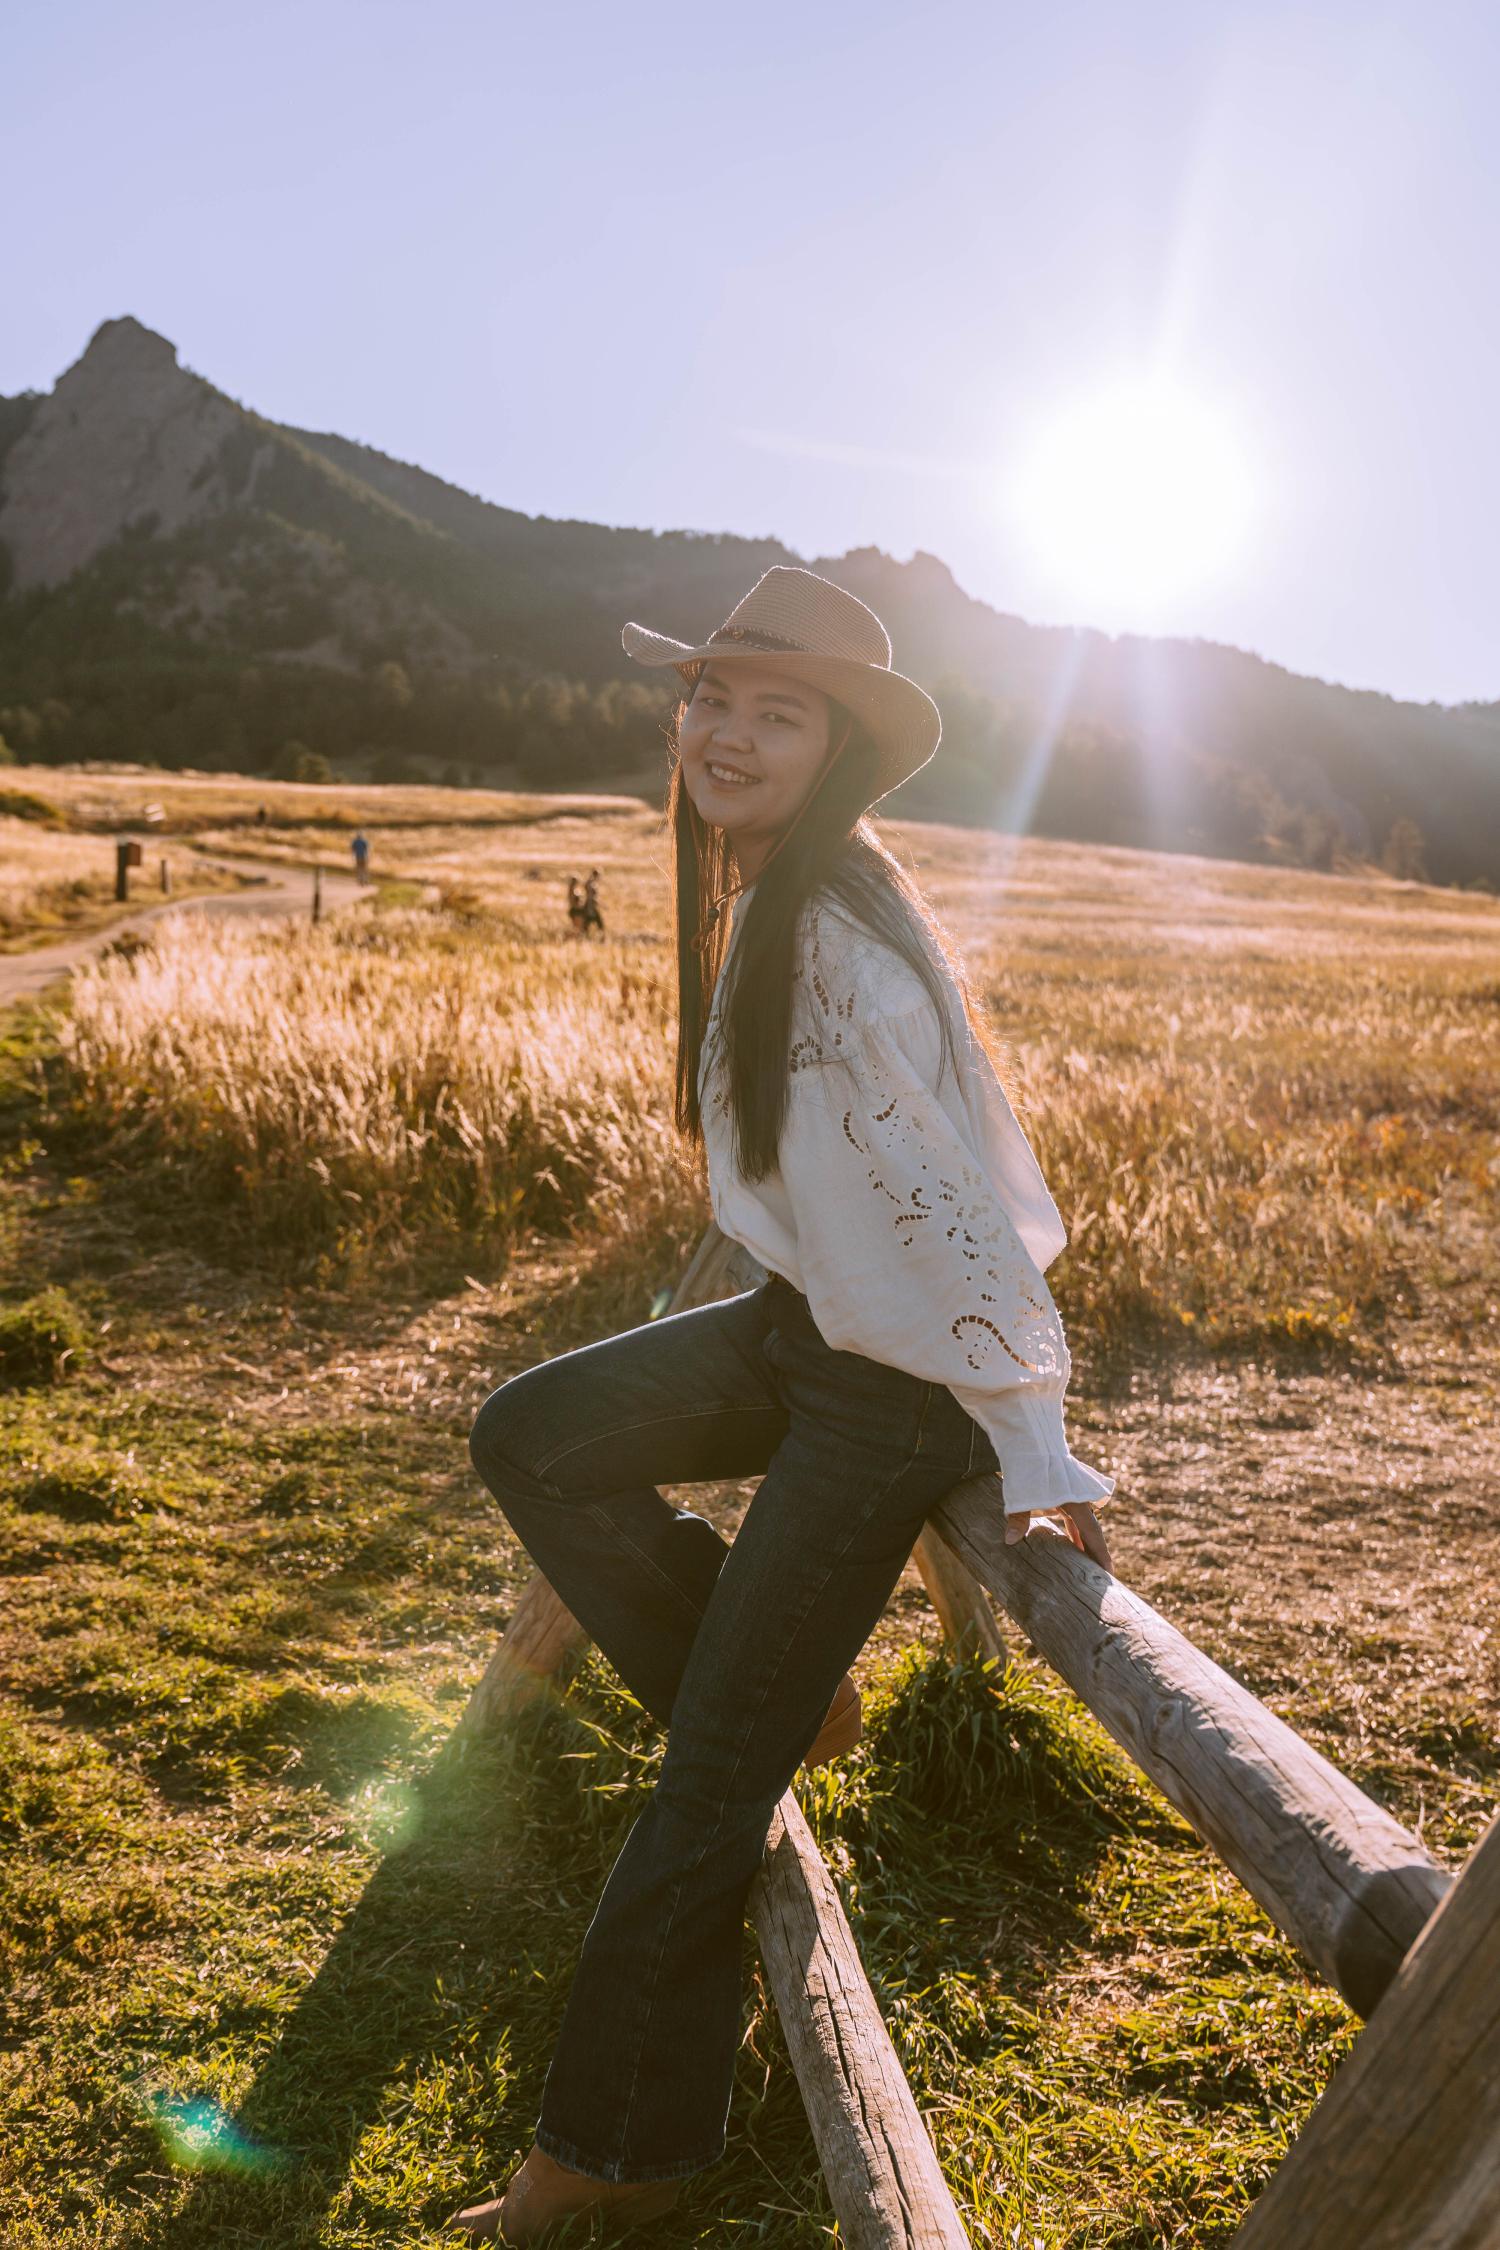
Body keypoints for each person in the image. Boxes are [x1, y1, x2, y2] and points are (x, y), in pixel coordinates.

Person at [455, 566, 1115, 2242]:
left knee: (702, 1795)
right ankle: (765, 1698)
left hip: (891, 1390)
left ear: (838, 748)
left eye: (776, 710)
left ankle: (601, 2167)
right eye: (710, 700)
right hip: (807, 1327)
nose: (725, 732)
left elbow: (961, 1214)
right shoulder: (775, 895)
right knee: (530, 1435)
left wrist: (1033, 1438)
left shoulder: (826, 933)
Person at [579, 867, 604, 938]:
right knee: (598, 923)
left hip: (590, 905)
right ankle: (600, 937)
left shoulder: (590, 883)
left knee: (587, 922)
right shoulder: (592, 884)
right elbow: (591, 897)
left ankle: (585, 936)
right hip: (591, 906)